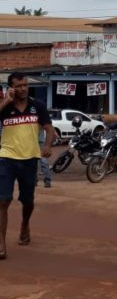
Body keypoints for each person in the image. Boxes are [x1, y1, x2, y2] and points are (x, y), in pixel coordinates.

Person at [0, 72, 55, 260]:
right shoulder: (5, 107)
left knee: (28, 201)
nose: (23, 88)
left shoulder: (37, 106)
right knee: (3, 200)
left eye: (25, 85)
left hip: (30, 159)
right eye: (19, 85)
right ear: (11, 88)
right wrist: (6, 101)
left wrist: (47, 146)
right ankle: (1, 243)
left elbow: (49, 129)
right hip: (6, 158)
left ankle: (24, 224)